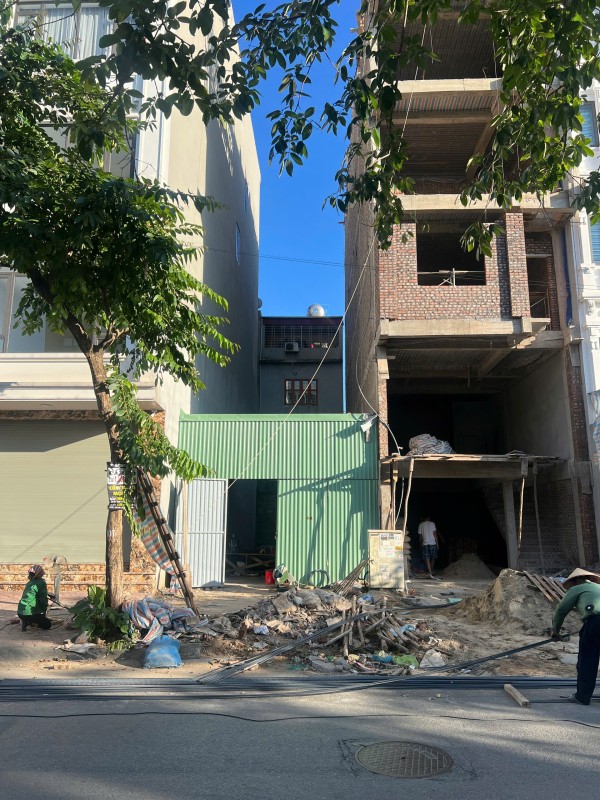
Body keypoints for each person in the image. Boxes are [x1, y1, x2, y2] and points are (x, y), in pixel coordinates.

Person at [551, 567, 600, 705]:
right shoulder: (597, 588)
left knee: (588, 660)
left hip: (595, 623)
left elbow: (561, 610)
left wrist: (555, 631)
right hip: (595, 621)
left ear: (576, 580)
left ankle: (582, 697)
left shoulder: (577, 589)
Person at [17, 564, 53, 631]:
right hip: (30, 613)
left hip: (20, 612)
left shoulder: (30, 582)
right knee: (47, 624)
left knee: (37, 616)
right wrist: (44, 609)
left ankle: (26, 621)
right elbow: (43, 600)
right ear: (40, 573)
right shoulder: (42, 583)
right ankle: (31, 623)